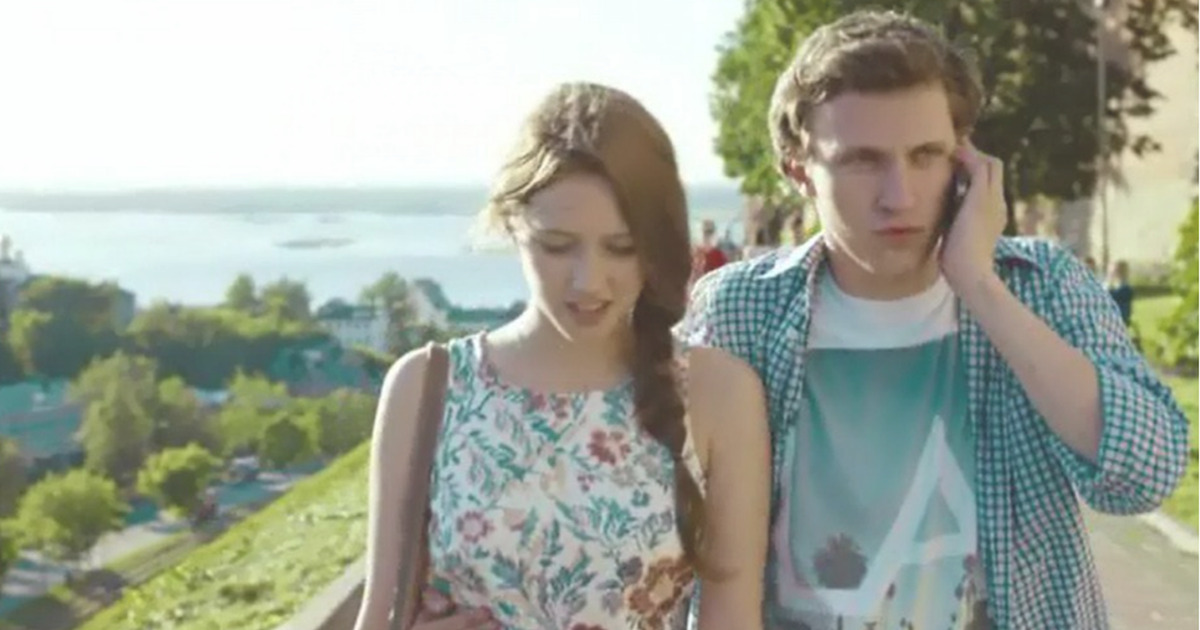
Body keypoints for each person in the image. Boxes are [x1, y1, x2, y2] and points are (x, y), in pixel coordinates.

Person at [678, 10, 1189, 629]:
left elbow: (1145, 475)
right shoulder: (740, 309)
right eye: (863, 161)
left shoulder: (1039, 284)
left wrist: (980, 284)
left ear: (965, 160)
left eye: (926, 156)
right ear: (798, 170)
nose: (900, 196)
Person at [356, 82, 771, 630]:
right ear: (510, 221)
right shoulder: (426, 385)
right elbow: (379, 614)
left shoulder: (721, 394)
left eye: (622, 248)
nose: (589, 280)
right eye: (557, 246)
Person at [1106, 259, 1134, 327]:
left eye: (1112, 271)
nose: (1110, 274)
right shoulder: (1113, 287)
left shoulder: (1125, 289)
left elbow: (1109, 297)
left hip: (1118, 321)